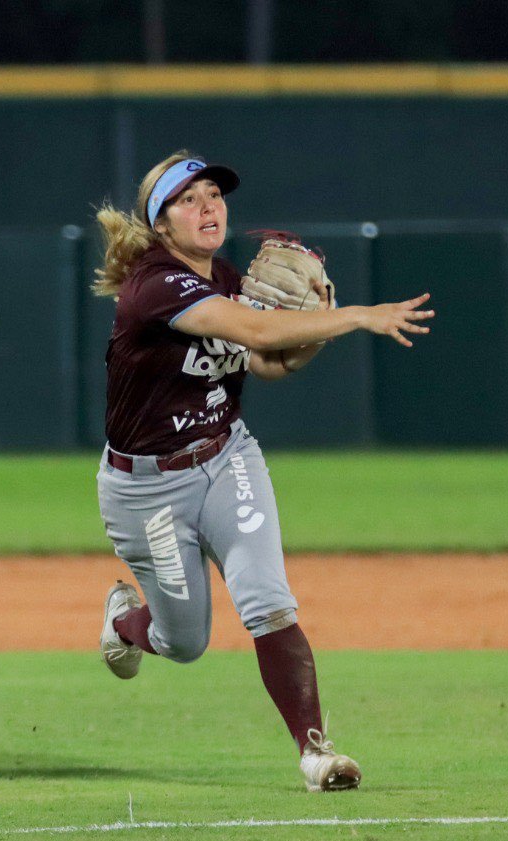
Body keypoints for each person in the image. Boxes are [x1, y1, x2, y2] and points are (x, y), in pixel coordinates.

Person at [91, 150, 434, 792]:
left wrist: (310, 336)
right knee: (185, 640)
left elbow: (267, 362)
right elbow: (251, 326)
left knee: (267, 601)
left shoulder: (222, 273)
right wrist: (357, 316)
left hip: (226, 459)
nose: (209, 205)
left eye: (214, 194)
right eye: (189, 198)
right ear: (160, 223)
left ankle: (316, 752)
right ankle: (123, 624)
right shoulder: (155, 285)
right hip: (148, 492)